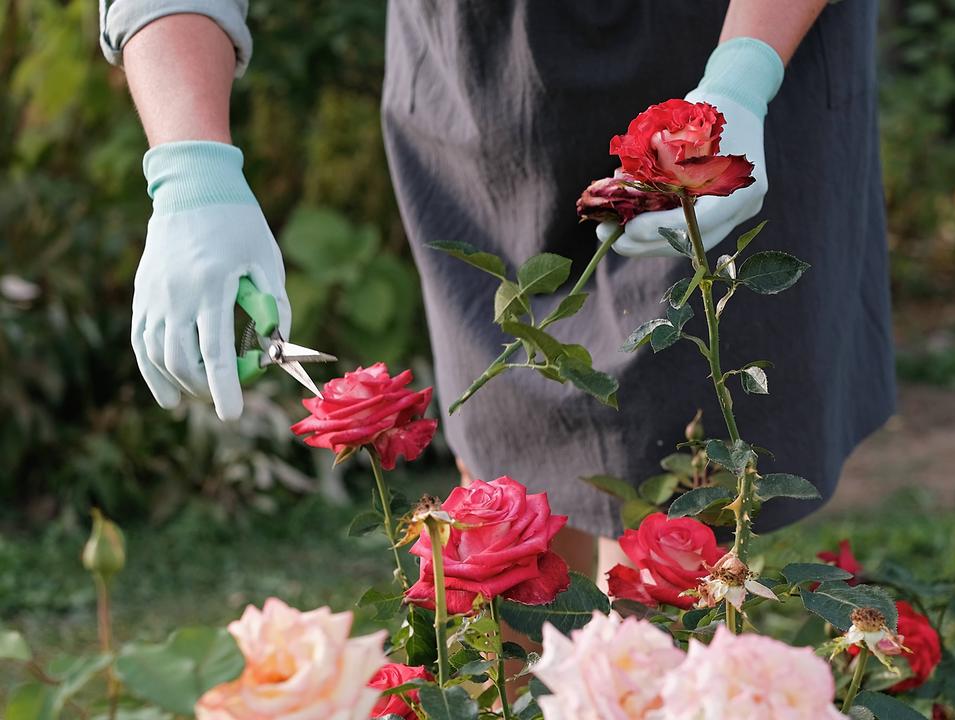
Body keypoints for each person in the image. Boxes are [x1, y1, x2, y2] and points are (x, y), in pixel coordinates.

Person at [100, 0, 894, 585]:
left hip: (733, 41)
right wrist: (190, 172)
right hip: (481, 86)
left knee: (684, 509)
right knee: (514, 540)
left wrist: (743, 77)